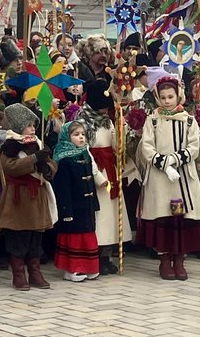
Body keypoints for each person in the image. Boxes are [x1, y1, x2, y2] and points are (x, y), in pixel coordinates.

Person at [138, 77, 200, 281]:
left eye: (171, 96)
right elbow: (147, 146)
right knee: (163, 215)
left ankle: (179, 260)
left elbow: (194, 146)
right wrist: (163, 162)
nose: (167, 101)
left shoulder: (188, 120)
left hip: (183, 176)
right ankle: (164, 260)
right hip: (161, 178)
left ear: (178, 95)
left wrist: (176, 160)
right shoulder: (152, 120)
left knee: (182, 215)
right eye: (163, 97)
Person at [0, 102, 57, 291]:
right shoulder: (10, 145)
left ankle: (35, 271)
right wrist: (34, 159)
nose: (32, 129)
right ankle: (19, 274)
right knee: (18, 237)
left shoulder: (37, 143)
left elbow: (51, 164)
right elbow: (11, 167)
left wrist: (48, 168)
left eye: (33, 125)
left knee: (35, 237)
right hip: (18, 197)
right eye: (29, 125)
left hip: (37, 194)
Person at [77, 80, 129, 273]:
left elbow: (116, 144)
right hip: (95, 172)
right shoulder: (83, 121)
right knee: (98, 215)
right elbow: (84, 151)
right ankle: (94, 254)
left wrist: (121, 134)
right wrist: (98, 176)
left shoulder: (107, 120)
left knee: (110, 213)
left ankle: (106, 254)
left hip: (110, 171)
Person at [49, 120, 100, 283]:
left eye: (83, 135)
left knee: (88, 235)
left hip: (87, 205)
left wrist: (94, 203)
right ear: (66, 136)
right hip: (72, 207)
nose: (81, 138)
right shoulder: (63, 159)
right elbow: (63, 188)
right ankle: (72, 268)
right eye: (76, 135)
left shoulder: (85, 154)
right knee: (74, 237)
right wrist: (66, 210)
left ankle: (89, 266)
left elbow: (90, 179)